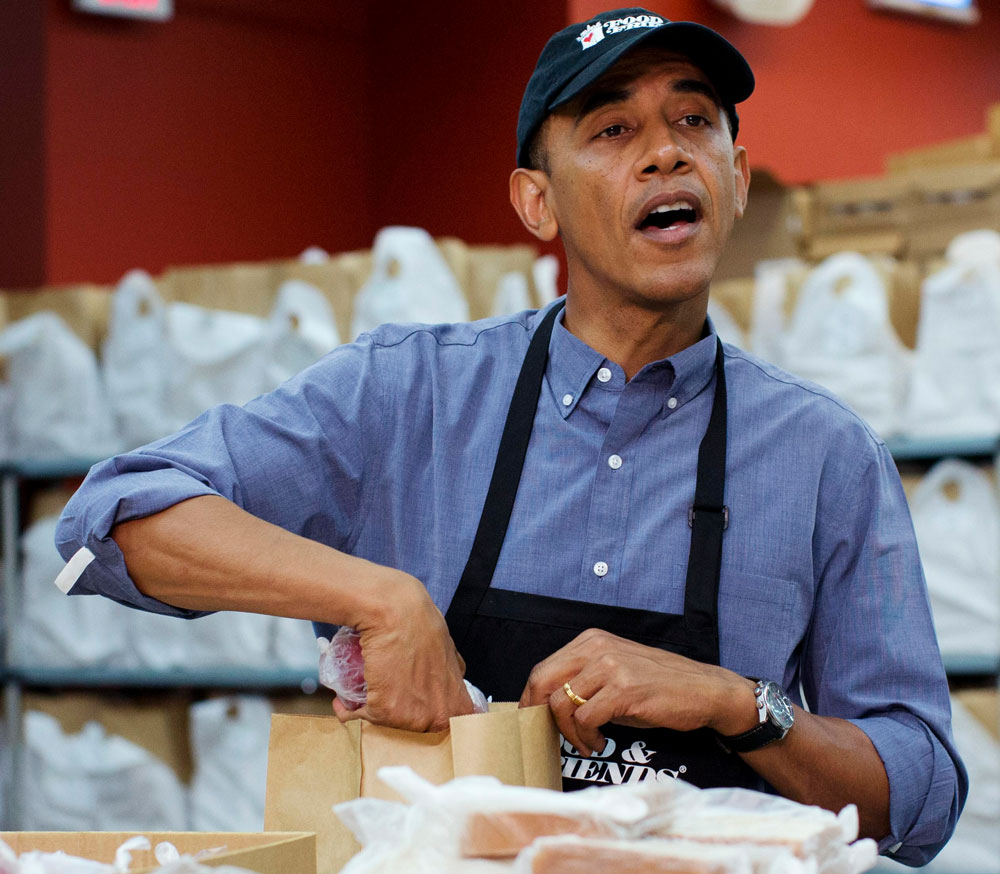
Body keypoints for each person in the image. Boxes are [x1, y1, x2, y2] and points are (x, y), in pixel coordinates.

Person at [55, 8, 965, 866]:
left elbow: (919, 795)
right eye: (613, 130)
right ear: (537, 204)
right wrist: (387, 601)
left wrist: (738, 703)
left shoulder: (828, 456)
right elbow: (114, 514)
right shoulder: (408, 391)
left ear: (735, 180)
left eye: (694, 121)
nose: (664, 154)